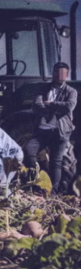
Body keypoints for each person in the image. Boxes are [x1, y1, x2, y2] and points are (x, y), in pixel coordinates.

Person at [24, 62, 77, 194]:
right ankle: (33, 185)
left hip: (60, 132)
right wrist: (50, 108)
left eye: (63, 73)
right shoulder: (43, 89)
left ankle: (52, 193)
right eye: (57, 72)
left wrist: (50, 104)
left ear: (67, 75)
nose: (59, 76)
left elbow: (68, 106)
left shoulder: (71, 91)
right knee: (28, 149)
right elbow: (36, 105)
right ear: (53, 73)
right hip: (43, 131)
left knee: (56, 162)